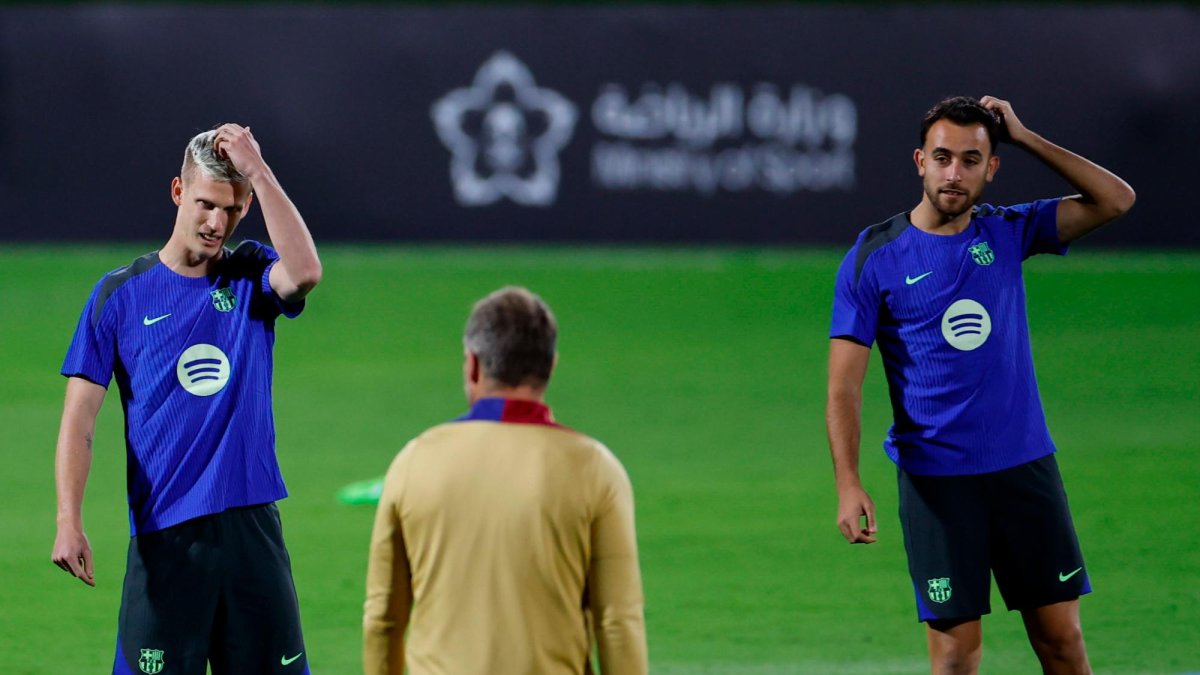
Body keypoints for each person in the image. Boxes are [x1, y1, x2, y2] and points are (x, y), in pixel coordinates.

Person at [826, 96, 1134, 674]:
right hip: (938, 487)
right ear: (920, 160)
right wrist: (848, 482)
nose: (954, 173)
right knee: (954, 660)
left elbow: (1116, 199)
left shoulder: (1010, 231)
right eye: (942, 157)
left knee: (1063, 641)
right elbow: (843, 388)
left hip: (1024, 471)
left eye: (972, 160)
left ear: (992, 168)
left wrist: (1025, 136)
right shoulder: (875, 257)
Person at [52, 124, 322, 674]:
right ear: (178, 192)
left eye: (232, 208)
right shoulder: (119, 295)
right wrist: (68, 518)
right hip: (166, 541)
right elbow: (80, 418)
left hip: (252, 533)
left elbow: (306, 272)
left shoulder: (250, 273)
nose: (217, 222)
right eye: (205, 204)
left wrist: (260, 174)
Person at [363, 286, 648, 675]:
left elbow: (383, 620)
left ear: (474, 365)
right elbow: (617, 622)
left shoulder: (415, 461)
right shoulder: (595, 469)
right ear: (551, 366)